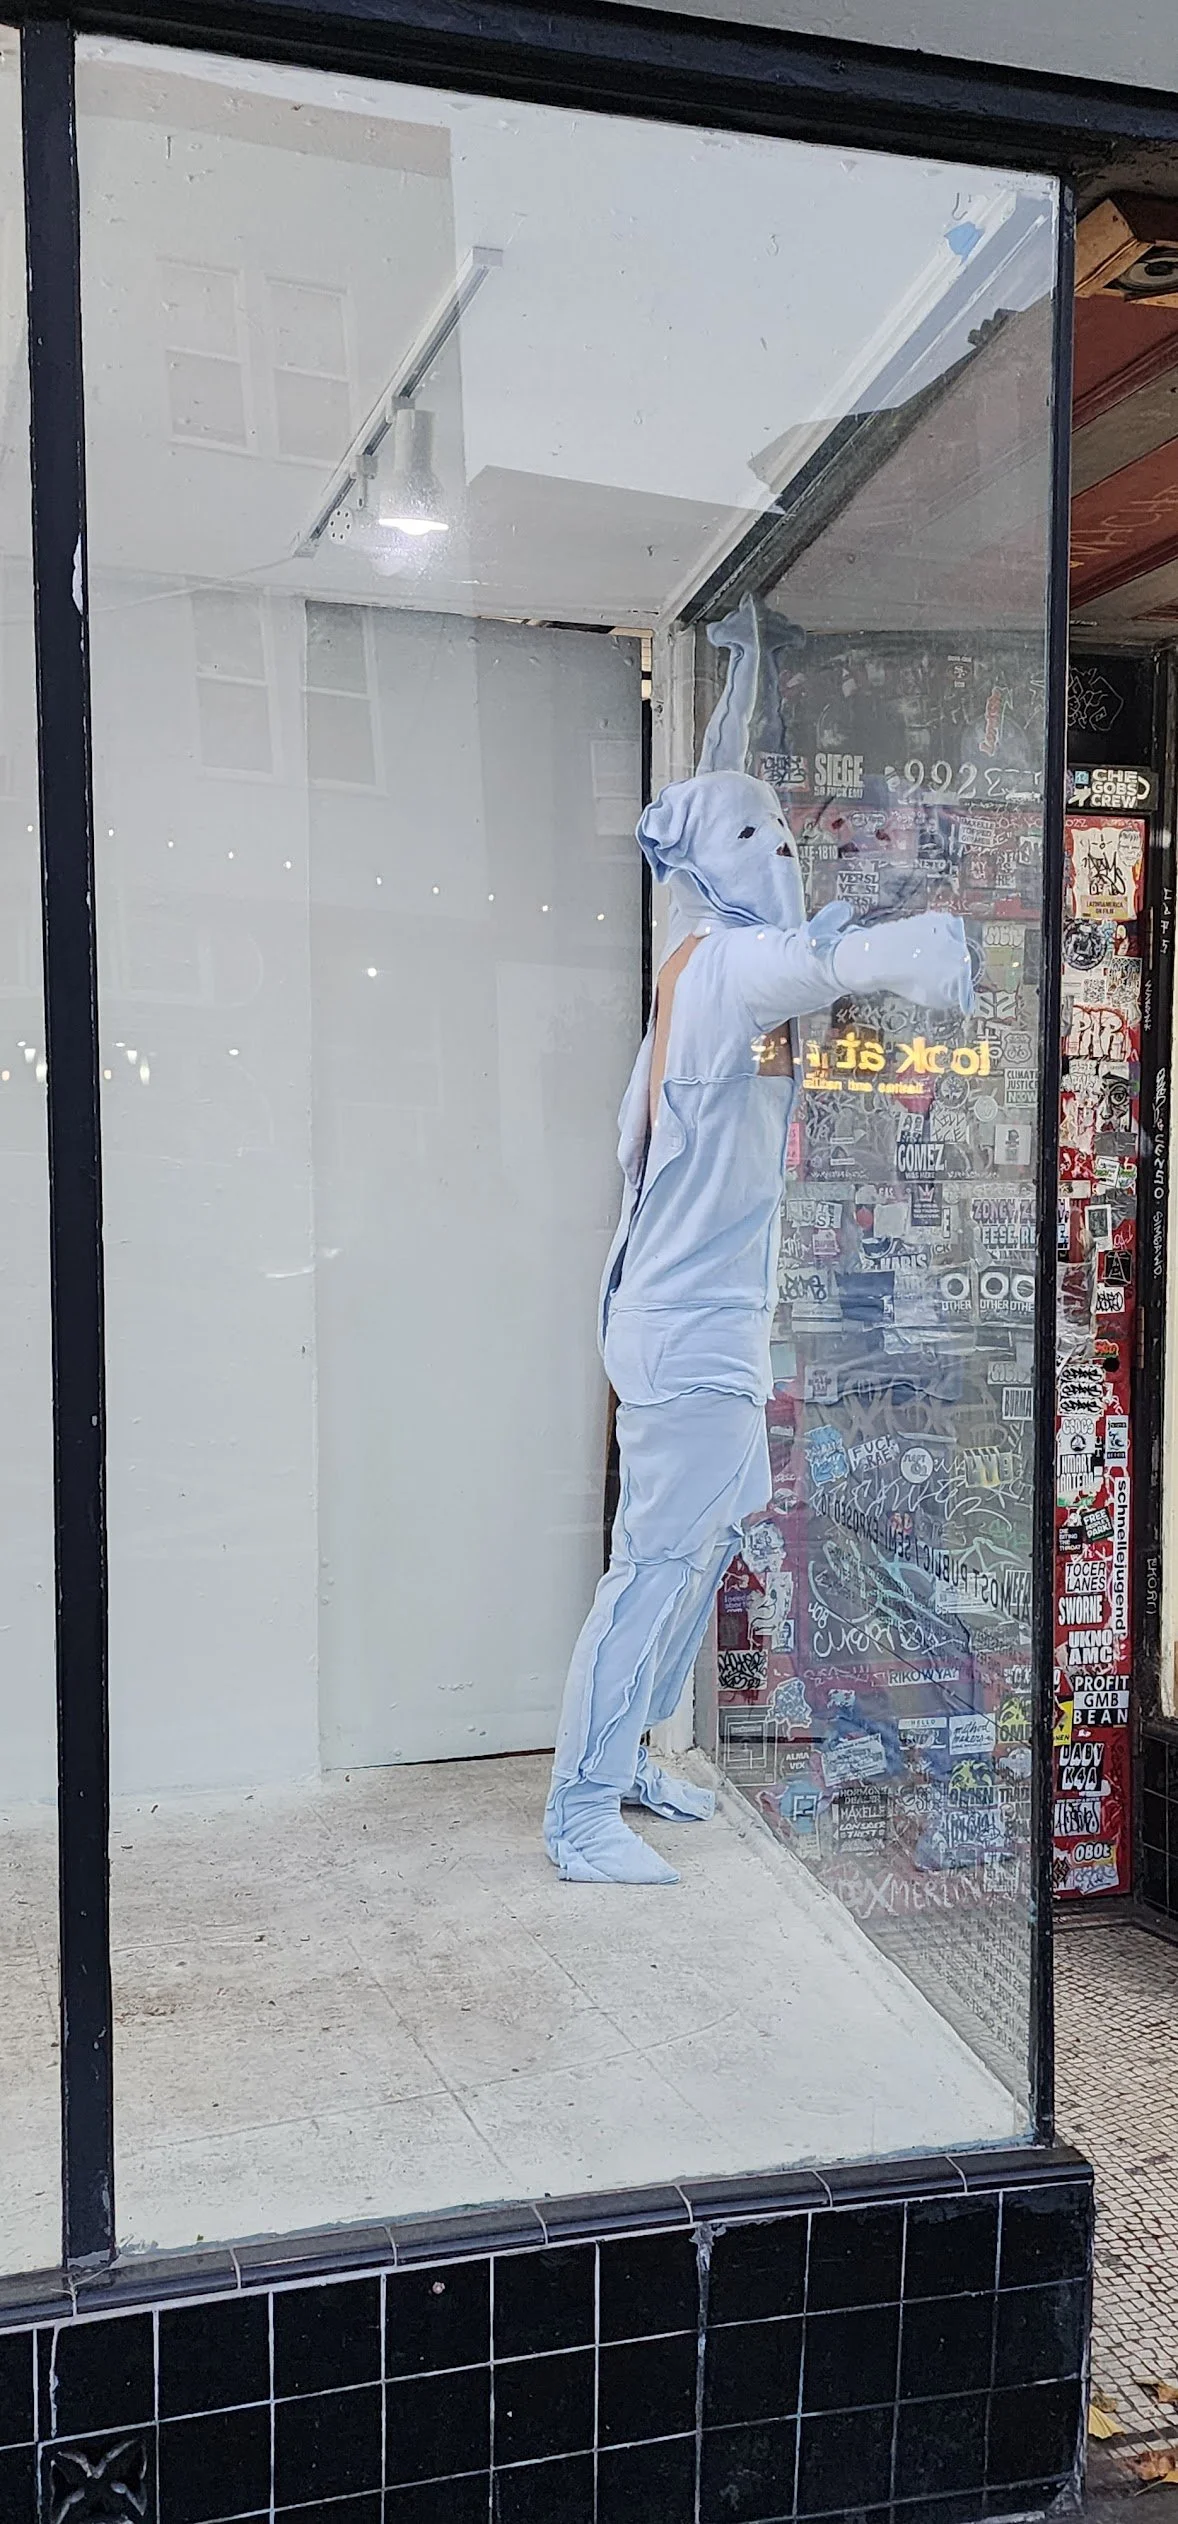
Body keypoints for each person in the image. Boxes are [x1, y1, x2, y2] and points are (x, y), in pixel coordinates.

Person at [542, 608, 974, 1885]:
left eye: (783, 836)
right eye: (757, 841)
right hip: (687, 1334)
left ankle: (623, 1759)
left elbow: (714, 811)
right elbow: (818, 954)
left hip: (691, 1322)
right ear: (710, 863)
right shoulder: (731, 965)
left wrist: (743, 672)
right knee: (654, 1567)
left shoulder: (688, 932)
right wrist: (923, 952)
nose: (779, 852)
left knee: (706, 1542)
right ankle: (578, 1810)